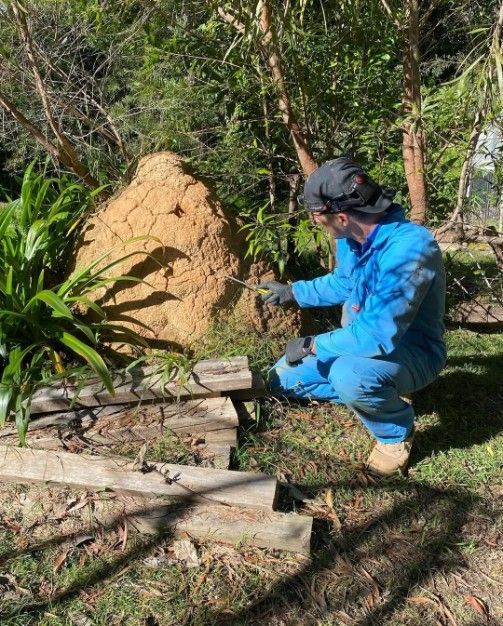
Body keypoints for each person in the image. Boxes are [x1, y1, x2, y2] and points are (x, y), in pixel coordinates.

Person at [258, 156, 446, 476]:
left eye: (318, 217)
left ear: (342, 217)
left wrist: (311, 344)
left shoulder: (409, 250)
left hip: (413, 351)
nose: (316, 222)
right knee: (280, 379)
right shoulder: (352, 238)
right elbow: (343, 282)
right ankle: (376, 389)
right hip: (363, 344)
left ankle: (395, 433)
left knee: (349, 375)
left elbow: (375, 335)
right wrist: (294, 293)